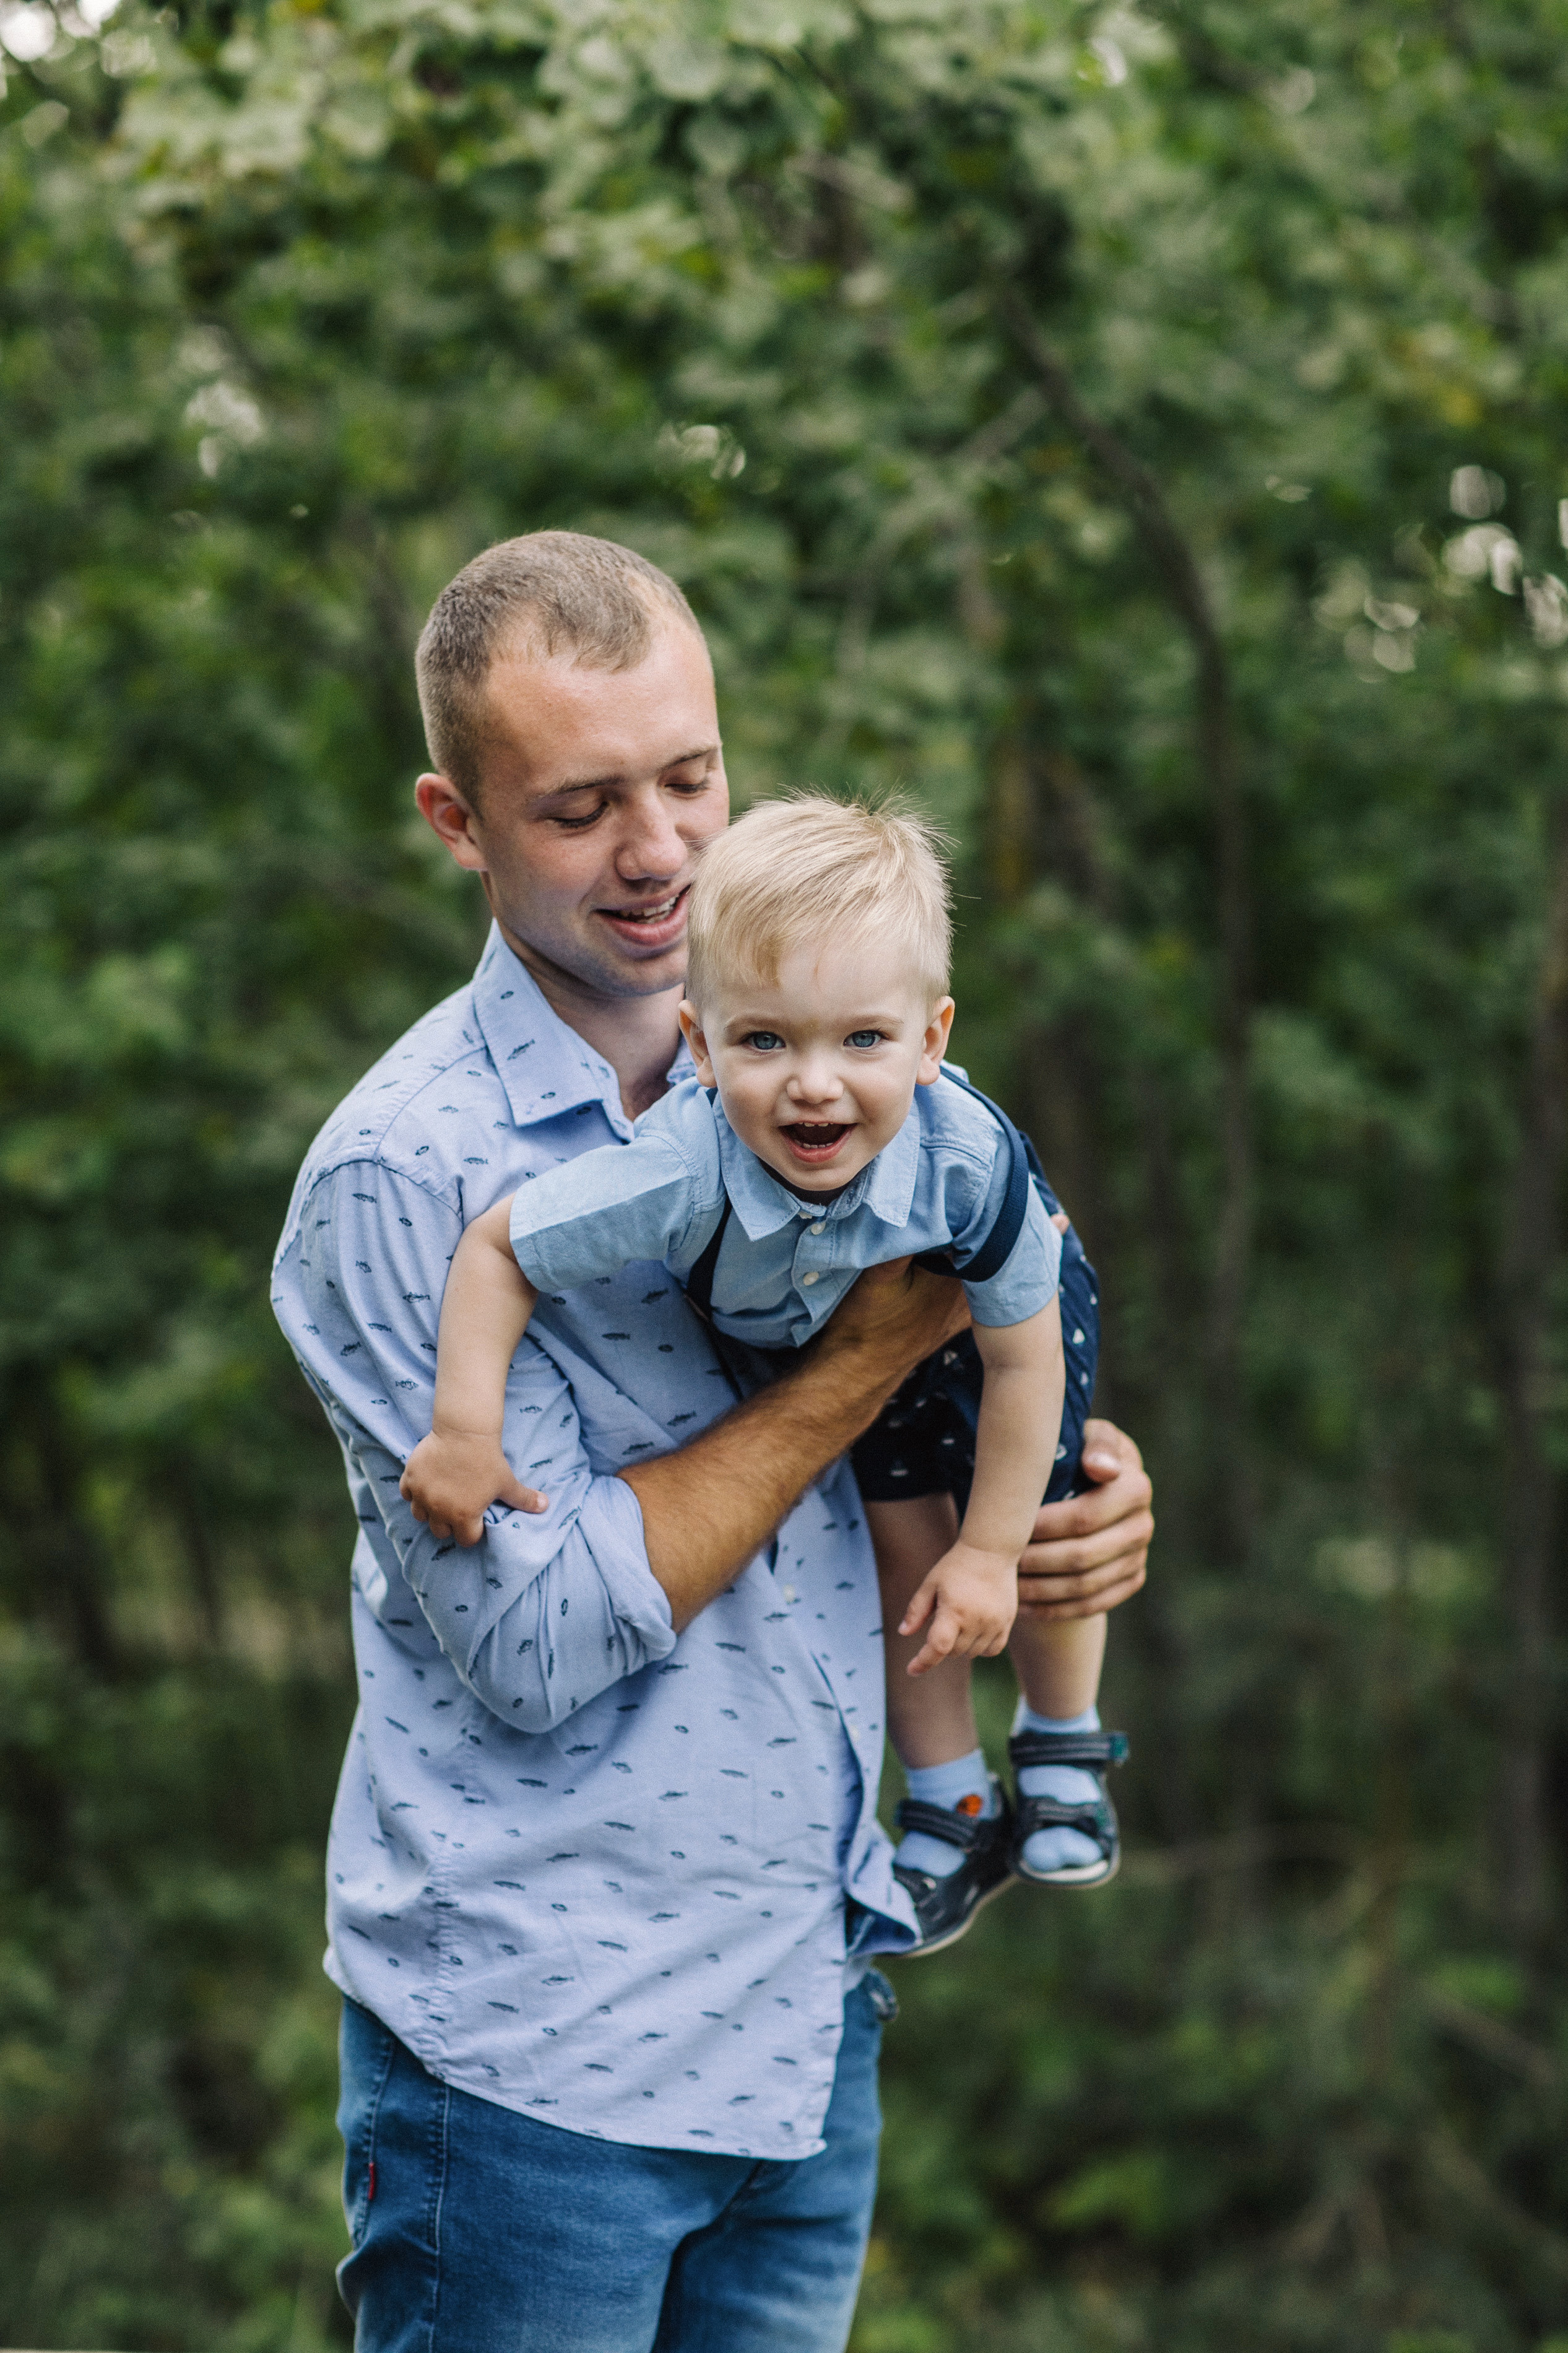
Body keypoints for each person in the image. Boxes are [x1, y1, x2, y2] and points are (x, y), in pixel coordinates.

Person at [271, 529, 1153, 2352]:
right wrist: (864, 1361)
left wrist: (1060, 1498)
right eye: (582, 806)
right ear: (458, 819)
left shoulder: (825, 1034)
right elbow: (532, 1639)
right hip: (535, 2065)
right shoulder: (405, 1175)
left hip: (798, 2012)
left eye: (689, 778)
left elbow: (977, 1351)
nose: (660, 849)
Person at [401, 794, 1127, 1960]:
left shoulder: (967, 1162)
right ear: (698, 1045)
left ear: (931, 1040)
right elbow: (499, 1248)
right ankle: (952, 1797)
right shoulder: (675, 1169)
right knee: (900, 1526)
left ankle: (1063, 1742)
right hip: (848, 1323)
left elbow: (1020, 1354)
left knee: (1042, 1504)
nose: (815, 1086)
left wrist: (988, 1552)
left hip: (1002, 1300)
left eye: (863, 1041)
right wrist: (463, 1430)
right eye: (765, 1042)